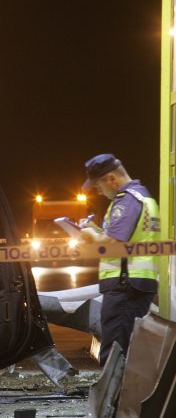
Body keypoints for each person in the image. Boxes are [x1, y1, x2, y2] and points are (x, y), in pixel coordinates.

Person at [79, 154, 160, 366]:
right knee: (127, 349)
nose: (98, 191)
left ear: (112, 179)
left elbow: (113, 245)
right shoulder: (142, 196)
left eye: (98, 186)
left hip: (125, 285)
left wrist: (91, 237)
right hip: (133, 284)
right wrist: (95, 231)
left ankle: (112, 399)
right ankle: (121, 398)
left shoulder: (127, 200)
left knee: (115, 351)